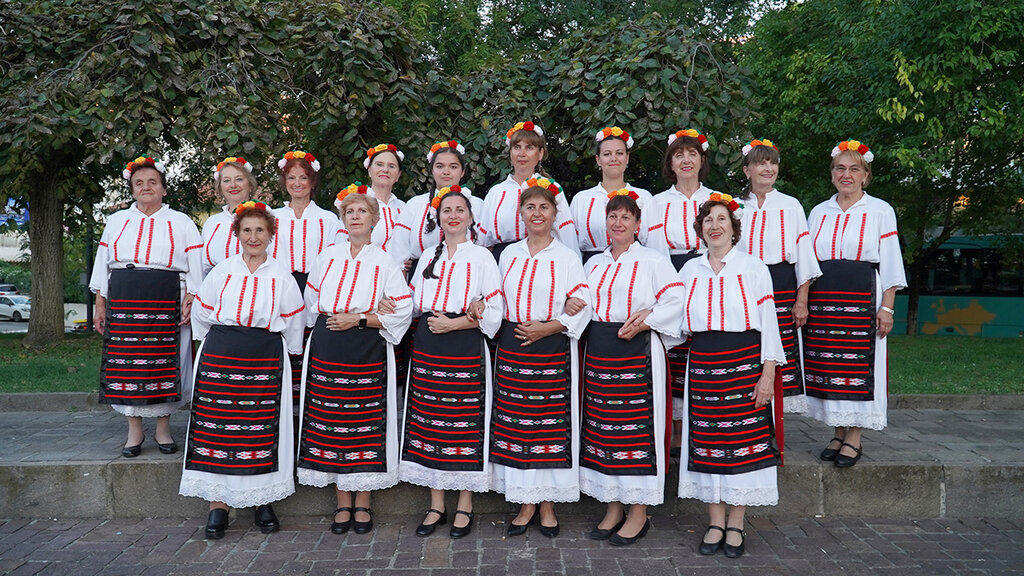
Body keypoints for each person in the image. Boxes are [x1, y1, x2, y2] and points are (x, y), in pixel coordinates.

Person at [179, 201, 306, 539]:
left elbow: (295, 323)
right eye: (247, 230)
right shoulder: (223, 271)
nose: (253, 237)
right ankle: (217, 505)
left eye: (259, 230)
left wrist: (289, 354)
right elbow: (202, 314)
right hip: (221, 355)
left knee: (261, 429)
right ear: (237, 234)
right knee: (217, 429)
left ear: (270, 234)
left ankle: (262, 501)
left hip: (265, 358)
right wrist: (214, 344)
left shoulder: (282, 275)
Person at [295, 190, 413, 535]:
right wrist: (354, 313)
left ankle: (363, 500)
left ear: (374, 220)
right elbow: (312, 303)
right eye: (350, 212)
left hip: (367, 346)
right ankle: (342, 501)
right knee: (331, 419)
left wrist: (362, 317)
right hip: (329, 344)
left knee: (364, 420)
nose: (356, 216)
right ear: (343, 220)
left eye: (362, 211)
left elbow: (402, 309)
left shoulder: (385, 262)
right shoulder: (327, 257)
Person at [676, 193, 785, 559]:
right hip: (704, 367)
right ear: (700, 229)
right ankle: (715, 522)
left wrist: (767, 375)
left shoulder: (754, 268)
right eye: (708, 220)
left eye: (721, 219)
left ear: (734, 228)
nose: (715, 225)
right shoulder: (689, 271)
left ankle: (736, 523)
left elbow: (769, 324)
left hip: (744, 365)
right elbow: (674, 320)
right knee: (708, 443)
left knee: (742, 443)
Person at [580, 192, 684, 546]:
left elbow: (676, 299)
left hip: (637, 352)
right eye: (613, 216)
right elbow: (581, 302)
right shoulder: (593, 264)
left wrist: (647, 318)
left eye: (626, 217)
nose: (618, 223)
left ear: (638, 224)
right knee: (604, 429)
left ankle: (639, 511)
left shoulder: (653, 260)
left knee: (636, 431)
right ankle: (612, 506)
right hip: (600, 350)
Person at [489, 181, 591, 538]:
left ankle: (547, 504)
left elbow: (582, 304)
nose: (537, 213)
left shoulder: (567, 257)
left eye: (543, 207)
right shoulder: (509, 254)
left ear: (554, 213)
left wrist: (549, 327)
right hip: (514, 346)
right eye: (530, 207)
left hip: (551, 348)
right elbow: (496, 297)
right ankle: (525, 502)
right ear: (521, 213)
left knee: (548, 427)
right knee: (516, 426)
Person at [401, 189, 503, 539]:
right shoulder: (429, 256)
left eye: (460, 210)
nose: (453, 215)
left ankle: (464, 504)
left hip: (464, 343)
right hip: (429, 344)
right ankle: (436, 504)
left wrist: (457, 323)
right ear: (438, 218)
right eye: (447, 210)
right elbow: (413, 303)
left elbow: (494, 309)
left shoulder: (482, 257)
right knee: (431, 422)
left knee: (463, 422)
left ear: (471, 218)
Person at [90, 155, 202, 457]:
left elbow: (195, 263)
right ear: (132, 189)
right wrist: (100, 301)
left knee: (165, 363)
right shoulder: (116, 221)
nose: (146, 187)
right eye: (139, 183)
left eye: (153, 182)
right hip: (124, 297)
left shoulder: (181, 222)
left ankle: (163, 428)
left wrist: (192, 295)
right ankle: (134, 431)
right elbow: (103, 264)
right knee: (128, 364)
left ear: (164, 188)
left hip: (168, 296)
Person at [804, 140, 906, 468]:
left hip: (863, 296)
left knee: (859, 367)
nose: (846, 175)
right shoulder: (819, 212)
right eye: (840, 168)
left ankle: (855, 437)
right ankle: (838, 432)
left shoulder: (880, 210)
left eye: (853, 169)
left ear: (866, 175)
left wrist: (887, 307)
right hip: (824, 299)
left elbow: (891, 261)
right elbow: (807, 260)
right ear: (832, 173)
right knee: (830, 367)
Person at [645, 129, 721, 455]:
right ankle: (676, 429)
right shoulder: (657, 202)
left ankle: (703, 425)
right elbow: (653, 247)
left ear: (702, 160)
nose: (686, 160)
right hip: (670, 275)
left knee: (702, 348)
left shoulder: (718, 199)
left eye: (692, 154)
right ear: (671, 163)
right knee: (674, 351)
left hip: (708, 277)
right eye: (679, 155)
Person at [737, 139, 822, 413]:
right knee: (749, 344)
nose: (768, 168)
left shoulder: (790, 205)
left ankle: (777, 420)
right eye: (761, 163)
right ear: (747, 170)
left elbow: (804, 255)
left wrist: (802, 300)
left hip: (782, 286)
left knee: (780, 347)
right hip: (744, 288)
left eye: (773, 163)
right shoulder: (735, 207)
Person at [270, 150, 339, 407]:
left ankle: (308, 407)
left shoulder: (328, 219)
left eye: (303, 177)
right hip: (281, 285)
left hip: (314, 286)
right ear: (284, 181)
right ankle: (283, 406)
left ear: (312, 181)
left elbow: (334, 259)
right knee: (284, 339)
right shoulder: (273, 216)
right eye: (291, 177)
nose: (297, 183)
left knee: (311, 342)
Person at [480, 122, 578, 261]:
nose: (522, 154)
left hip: (543, 257)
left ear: (540, 153)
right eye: (517, 147)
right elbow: (484, 242)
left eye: (529, 148)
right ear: (510, 153)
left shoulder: (551, 188)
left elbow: (566, 235)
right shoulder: (496, 192)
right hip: (502, 259)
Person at [569, 126, 653, 263]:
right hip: (590, 268)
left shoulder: (644, 197)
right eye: (607, 154)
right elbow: (571, 244)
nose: (613, 158)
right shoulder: (581, 200)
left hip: (635, 265)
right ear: (598, 159)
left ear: (627, 158)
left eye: (619, 153)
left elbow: (653, 243)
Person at [401, 140, 484, 272]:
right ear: (432, 170)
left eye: (453, 167)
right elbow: (400, 251)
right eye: (440, 166)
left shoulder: (477, 205)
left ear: (462, 171)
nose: (446, 172)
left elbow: (486, 245)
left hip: (467, 271)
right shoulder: (415, 205)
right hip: (422, 271)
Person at [335, 144, 410, 268]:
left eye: (391, 166)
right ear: (369, 170)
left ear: (398, 175)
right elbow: (340, 245)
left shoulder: (404, 208)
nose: (385, 170)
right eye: (379, 164)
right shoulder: (356, 203)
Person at [200, 157, 258, 276]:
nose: (233, 185)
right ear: (220, 188)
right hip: (215, 283)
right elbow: (201, 265)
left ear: (250, 185)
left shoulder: (265, 218)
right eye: (226, 181)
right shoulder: (212, 223)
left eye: (239, 179)